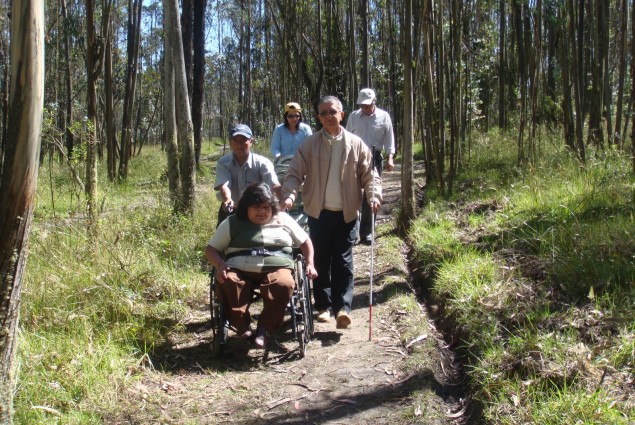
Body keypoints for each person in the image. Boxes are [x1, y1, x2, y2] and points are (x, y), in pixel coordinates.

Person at [281, 95, 381, 330]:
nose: (328, 116)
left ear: (342, 115)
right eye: (323, 113)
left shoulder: (356, 144)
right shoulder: (310, 145)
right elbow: (295, 172)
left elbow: (370, 175)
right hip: (318, 212)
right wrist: (289, 194)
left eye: (332, 112)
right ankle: (323, 307)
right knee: (321, 260)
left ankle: (343, 309)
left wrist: (373, 196)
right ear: (318, 117)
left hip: (347, 213)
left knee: (344, 261)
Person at [205, 182, 318, 348]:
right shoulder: (232, 222)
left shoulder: (284, 219)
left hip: (277, 266)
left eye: (266, 207)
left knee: (284, 283)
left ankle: (264, 329)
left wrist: (310, 263)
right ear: (246, 208)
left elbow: (305, 241)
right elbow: (211, 249)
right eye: (256, 207)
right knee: (228, 280)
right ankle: (242, 325)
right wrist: (220, 265)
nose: (262, 212)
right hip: (239, 267)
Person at [346, 88, 395, 245]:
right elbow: (346, 137)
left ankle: (367, 233)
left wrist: (390, 157)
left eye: (367, 105)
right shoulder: (353, 117)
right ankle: (352, 232)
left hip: (374, 158)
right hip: (354, 158)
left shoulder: (384, 117)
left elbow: (389, 139)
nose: (365, 108)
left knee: (371, 196)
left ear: (374, 102)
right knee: (352, 195)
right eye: (362, 106)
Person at [214, 124, 281, 226]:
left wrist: (285, 197)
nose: (239, 145)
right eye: (235, 141)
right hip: (231, 208)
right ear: (230, 143)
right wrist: (227, 200)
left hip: (257, 212)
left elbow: (273, 184)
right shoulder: (223, 163)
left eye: (243, 140)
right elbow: (224, 185)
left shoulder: (263, 163)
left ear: (251, 142)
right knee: (221, 240)